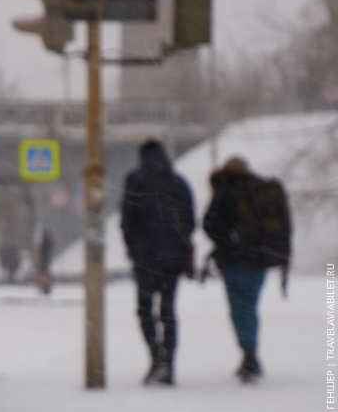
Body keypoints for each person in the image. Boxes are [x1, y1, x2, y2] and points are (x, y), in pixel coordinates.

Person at [203, 156, 291, 383]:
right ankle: (249, 354)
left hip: (236, 259)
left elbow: (210, 224)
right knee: (249, 305)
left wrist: (227, 243)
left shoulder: (226, 188)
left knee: (240, 307)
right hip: (261, 257)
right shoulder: (261, 189)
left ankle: (249, 356)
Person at [121, 139, 195, 386]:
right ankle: (169, 365)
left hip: (145, 257)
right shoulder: (178, 182)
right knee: (168, 310)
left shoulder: (134, 180)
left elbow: (127, 219)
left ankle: (156, 358)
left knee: (144, 310)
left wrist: (133, 245)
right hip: (172, 258)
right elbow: (190, 221)